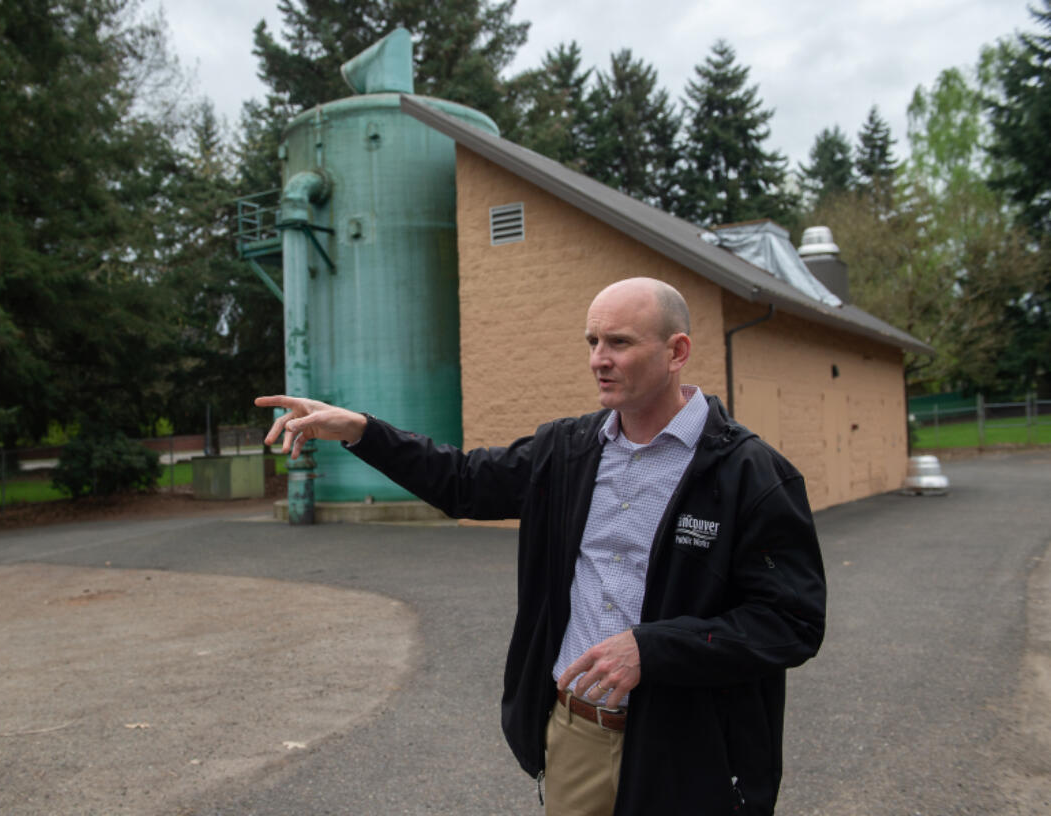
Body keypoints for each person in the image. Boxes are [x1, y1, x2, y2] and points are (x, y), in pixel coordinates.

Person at [256, 277, 826, 815]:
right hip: (577, 733)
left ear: (677, 352)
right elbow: (462, 481)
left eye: (619, 343)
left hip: (689, 744)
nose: (598, 358)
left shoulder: (751, 473)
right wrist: (361, 430)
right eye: (592, 341)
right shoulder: (568, 451)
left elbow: (791, 621)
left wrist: (654, 650)